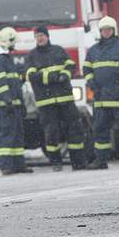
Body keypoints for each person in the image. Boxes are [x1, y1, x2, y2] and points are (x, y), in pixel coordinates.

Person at [24, 25, 87, 171]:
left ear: (47, 36)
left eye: (42, 35)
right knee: (51, 133)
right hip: (46, 102)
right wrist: (50, 77)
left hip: (65, 99)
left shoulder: (58, 51)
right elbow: (30, 76)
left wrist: (66, 74)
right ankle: (56, 162)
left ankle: (78, 162)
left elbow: (71, 65)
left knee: (74, 130)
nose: (40, 38)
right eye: (37, 36)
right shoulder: (31, 56)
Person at [83, 16, 119, 169]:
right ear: (100, 32)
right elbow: (87, 69)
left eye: (109, 30)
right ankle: (100, 160)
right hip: (101, 98)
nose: (106, 32)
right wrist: (92, 85)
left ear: (114, 31)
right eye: (103, 30)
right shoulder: (93, 50)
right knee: (100, 130)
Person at [0, 27, 33, 175]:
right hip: (5, 106)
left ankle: (19, 165)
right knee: (7, 134)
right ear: (8, 42)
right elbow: (2, 84)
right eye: (14, 42)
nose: (15, 45)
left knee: (17, 134)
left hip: (13, 104)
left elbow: (15, 85)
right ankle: (6, 166)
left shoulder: (7, 60)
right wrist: (8, 101)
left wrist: (20, 103)